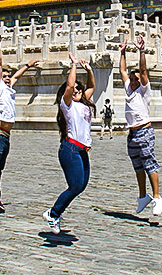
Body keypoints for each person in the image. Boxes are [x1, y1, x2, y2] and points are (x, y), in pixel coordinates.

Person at [0, 29, 39, 214]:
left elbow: (17, 76)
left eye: (8, 77)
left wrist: (28, 65)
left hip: (5, 134)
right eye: (4, 76)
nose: (7, 78)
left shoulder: (8, 87)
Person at [43, 52, 95, 234]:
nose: (77, 90)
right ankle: (53, 213)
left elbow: (92, 86)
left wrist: (89, 70)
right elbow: (70, 85)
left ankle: (56, 213)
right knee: (75, 185)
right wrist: (74, 65)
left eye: (79, 89)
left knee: (81, 185)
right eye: (74, 90)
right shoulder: (67, 106)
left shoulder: (84, 103)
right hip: (70, 148)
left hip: (82, 150)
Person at [119, 35, 162, 216]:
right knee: (137, 166)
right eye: (132, 78)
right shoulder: (128, 88)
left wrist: (141, 51)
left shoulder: (143, 91)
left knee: (149, 163)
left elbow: (143, 71)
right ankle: (143, 196)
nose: (133, 81)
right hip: (132, 133)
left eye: (136, 78)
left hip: (144, 130)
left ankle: (157, 197)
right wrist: (122, 52)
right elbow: (122, 70)